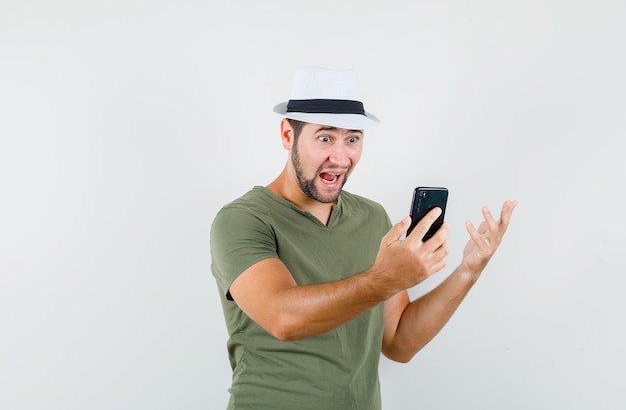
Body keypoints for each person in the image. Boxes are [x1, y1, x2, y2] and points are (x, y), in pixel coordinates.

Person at [210, 67, 517, 410]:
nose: (341, 158)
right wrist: (385, 278)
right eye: (325, 138)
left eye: (353, 138)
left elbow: (399, 342)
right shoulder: (243, 220)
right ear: (287, 135)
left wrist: (468, 271)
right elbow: (282, 318)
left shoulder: (372, 219)